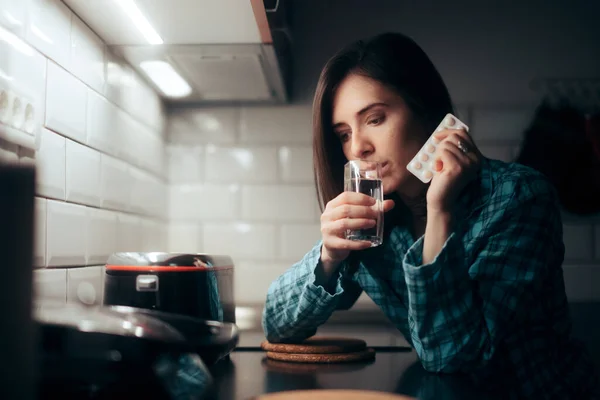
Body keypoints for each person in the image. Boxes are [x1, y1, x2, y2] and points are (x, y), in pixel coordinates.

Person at [261, 32, 598, 398]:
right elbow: (276, 326)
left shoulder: (519, 198)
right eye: (343, 134)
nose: (358, 147)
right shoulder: (377, 220)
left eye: (374, 119)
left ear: (425, 109)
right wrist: (329, 257)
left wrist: (440, 211)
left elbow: (455, 359)